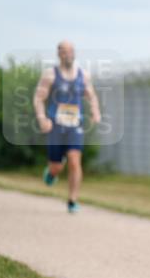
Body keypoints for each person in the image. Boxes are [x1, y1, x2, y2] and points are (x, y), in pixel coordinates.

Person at [33, 41, 102, 213]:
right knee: (56, 166)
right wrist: (42, 118)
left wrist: (95, 110)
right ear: (59, 54)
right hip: (55, 125)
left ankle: (72, 200)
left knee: (74, 160)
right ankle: (52, 172)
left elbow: (91, 96)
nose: (68, 54)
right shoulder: (50, 74)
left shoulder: (83, 75)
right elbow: (38, 98)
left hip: (74, 125)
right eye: (64, 51)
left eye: (71, 50)